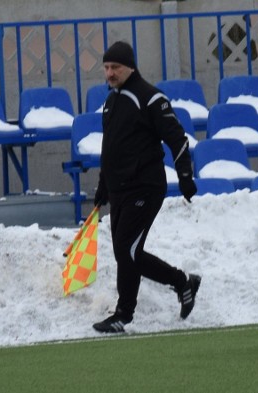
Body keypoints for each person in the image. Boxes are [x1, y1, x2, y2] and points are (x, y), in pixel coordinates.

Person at [91, 41, 201, 333]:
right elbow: (110, 149)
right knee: (126, 252)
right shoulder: (111, 102)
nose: (109, 73)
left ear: (130, 67)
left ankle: (123, 314)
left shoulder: (151, 98)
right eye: (106, 67)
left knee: (127, 249)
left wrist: (185, 177)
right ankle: (182, 282)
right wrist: (103, 185)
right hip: (119, 189)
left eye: (115, 67)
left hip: (145, 187)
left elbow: (177, 139)